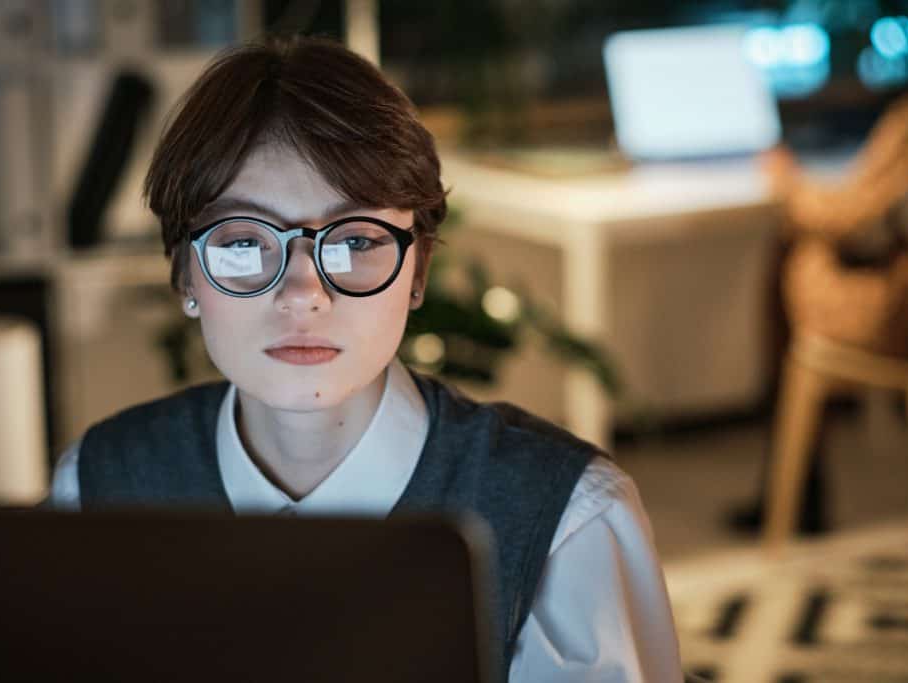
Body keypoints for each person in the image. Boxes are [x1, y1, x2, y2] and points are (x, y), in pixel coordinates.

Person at [49, 36, 683, 682]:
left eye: (354, 239)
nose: (303, 293)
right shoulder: (99, 487)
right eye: (244, 241)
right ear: (185, 274)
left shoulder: (564, 521)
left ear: (418, 270)